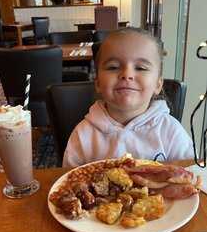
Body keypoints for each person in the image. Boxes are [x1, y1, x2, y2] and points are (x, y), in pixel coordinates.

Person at [63, 27, 194, 167]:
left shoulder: (171, 132)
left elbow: (189, 175)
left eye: (140, 68)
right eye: (113, 67)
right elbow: (67, 180)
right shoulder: (83, 134)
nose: (127, 74)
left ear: (158, 84)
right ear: (98, 83)